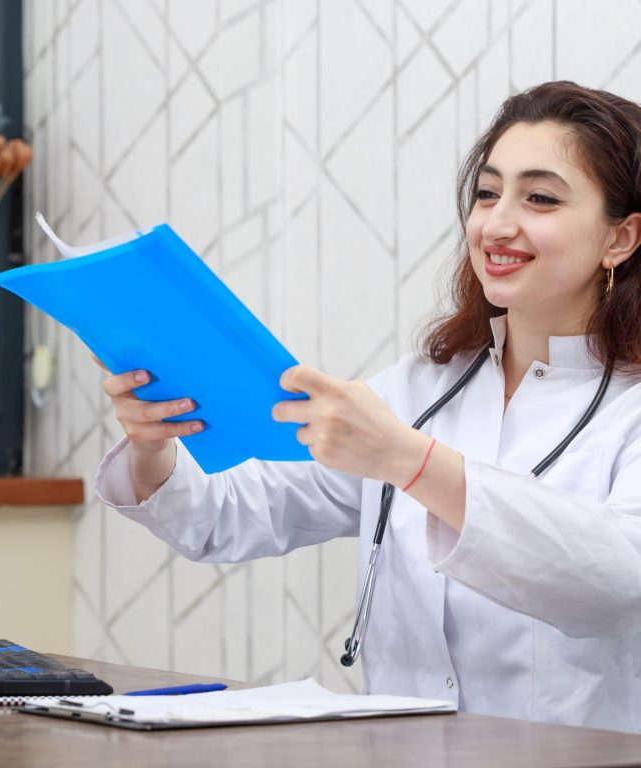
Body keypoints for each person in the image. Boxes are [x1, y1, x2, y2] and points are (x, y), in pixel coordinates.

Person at [94, 81, 641, 733]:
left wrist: (409, 460)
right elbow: (225, 517)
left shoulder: (626, 407)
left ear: (621, 238)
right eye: (488, 192)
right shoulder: (420, 388)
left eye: (541, 198)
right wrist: (156, 441)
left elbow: (615, 581)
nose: (496, 223)